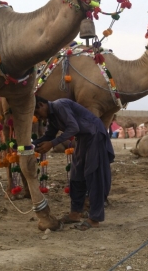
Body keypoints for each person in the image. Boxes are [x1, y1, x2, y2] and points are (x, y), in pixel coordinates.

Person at [33, 96, 115, 231]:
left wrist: (52, 144)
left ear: (41, 105)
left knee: (93, 175)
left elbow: (73, 127)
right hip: (83, 138)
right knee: (76, 175)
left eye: (37, 113)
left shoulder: (60, 105)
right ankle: (75, 213)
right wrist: (29, 145)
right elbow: (49, 136)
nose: (38, 117)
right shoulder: (52, 117)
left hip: (94, 135)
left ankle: (94, 218)